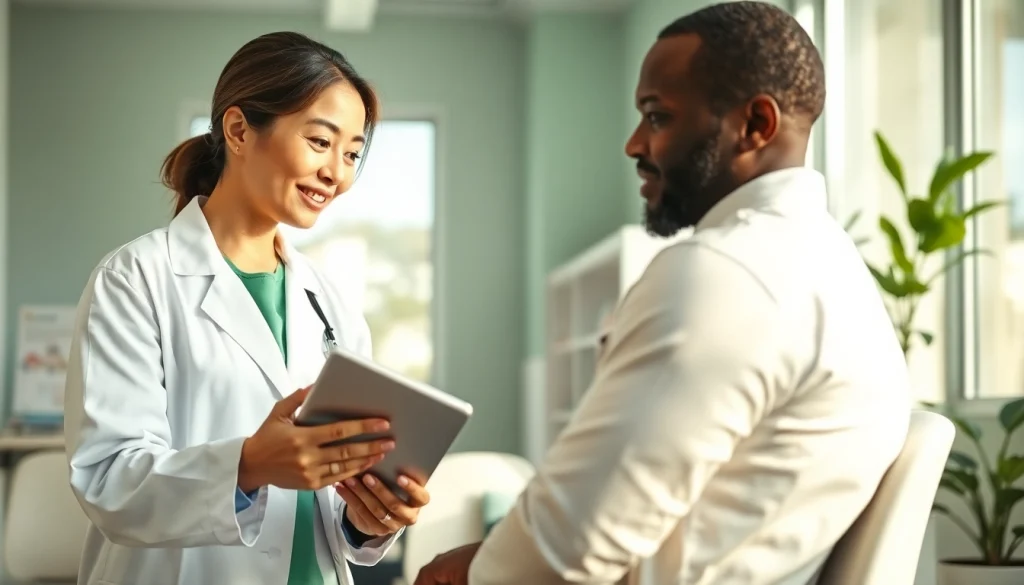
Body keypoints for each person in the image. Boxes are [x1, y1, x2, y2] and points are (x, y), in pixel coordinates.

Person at [414, 2, 911, 584]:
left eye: (657, 116)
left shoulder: (723, 274)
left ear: (756, 125)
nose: (633, 144)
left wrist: (471, 573)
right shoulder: (832, 265)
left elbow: (566, 549)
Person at [63, 32, 430, 585]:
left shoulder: (332, 305)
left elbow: (326, 511)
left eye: (352, 152)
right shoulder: (137, 279)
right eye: (320, 141)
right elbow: (108, 481)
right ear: (239, 130)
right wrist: (250, 464)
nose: (338, 172)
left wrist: (368, 517)